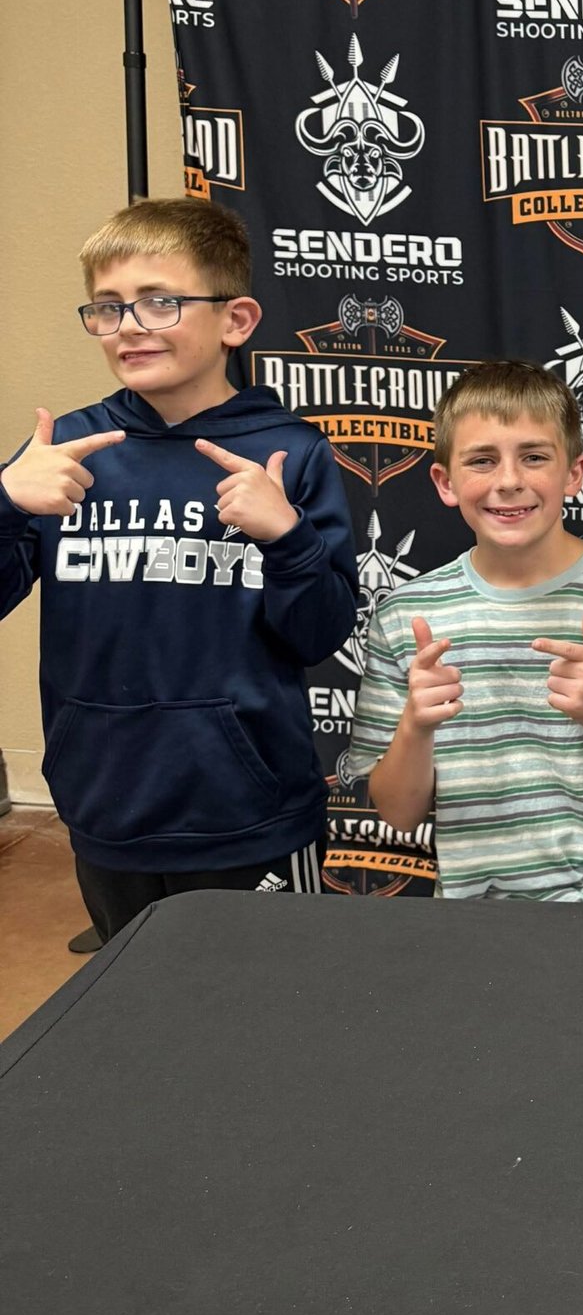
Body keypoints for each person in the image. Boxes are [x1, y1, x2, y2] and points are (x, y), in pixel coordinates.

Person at [0, 198, 359, 940]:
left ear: (236, 320)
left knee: (269, 999)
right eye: (108, 307)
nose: (129, 325)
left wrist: (287, 537)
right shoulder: (64, 451)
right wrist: (5, 503)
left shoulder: (289, 452)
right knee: (132, 996)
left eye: (160, 301)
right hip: (107, 808)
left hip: (250, 814)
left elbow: (320, 634)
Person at [348, 361, 583, 905]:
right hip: (487, 919)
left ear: (574, 474)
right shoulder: (406, 617)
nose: (509, 481)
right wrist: (416, 725)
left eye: (533, 457)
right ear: (445, 482)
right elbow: (398, 814)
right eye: (482, 460)